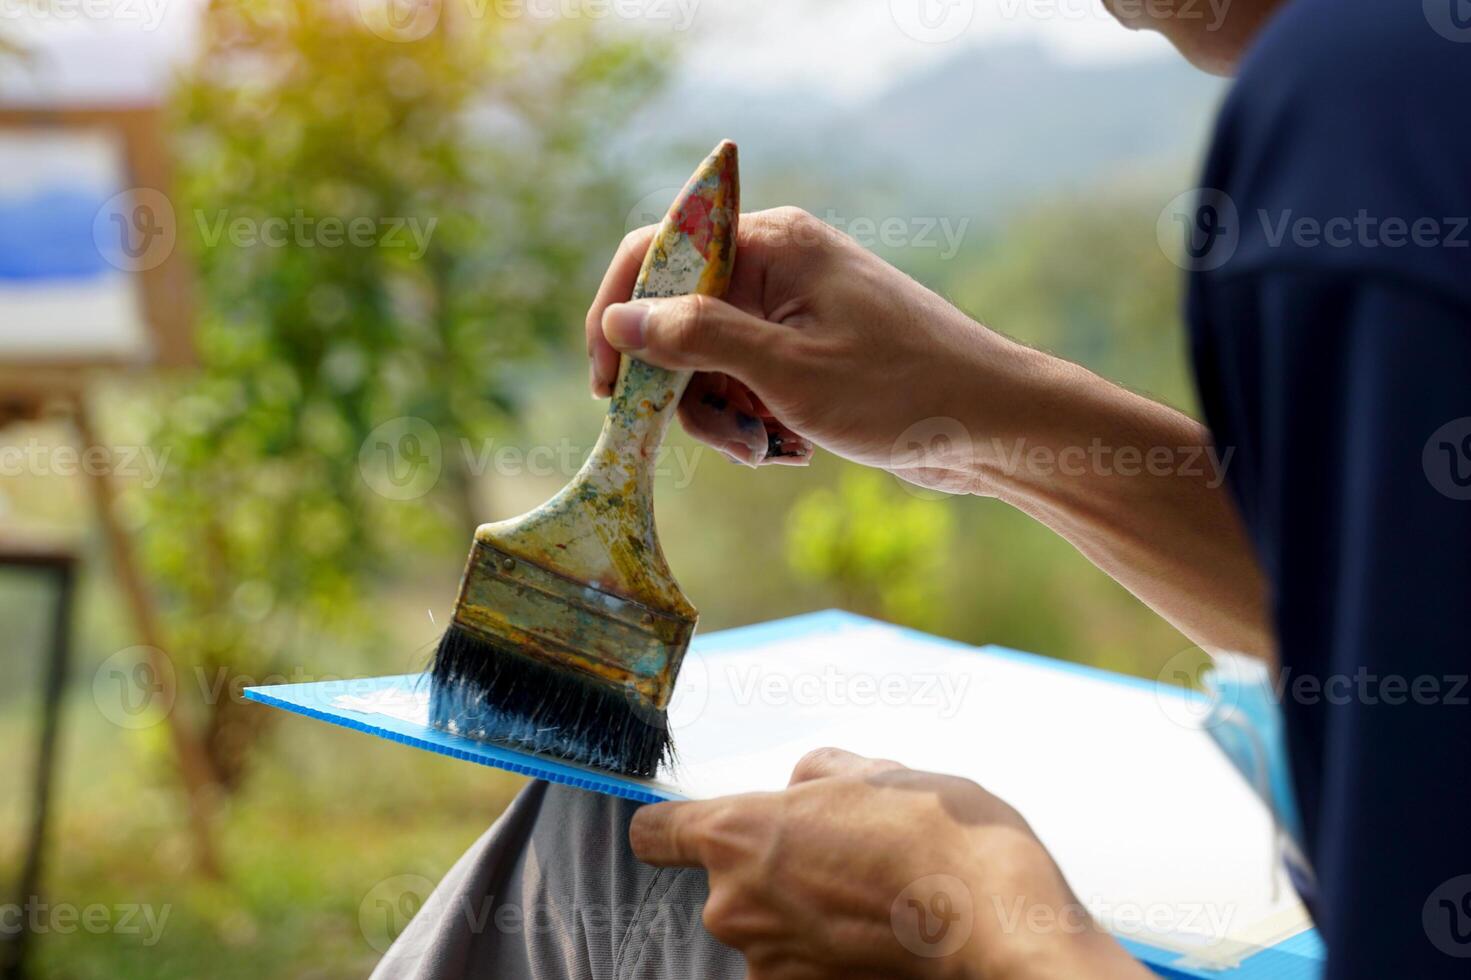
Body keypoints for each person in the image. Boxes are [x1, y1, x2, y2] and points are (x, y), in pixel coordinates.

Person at [373, 1, 1471, 977]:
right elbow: (1401, 620)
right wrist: (973, 416)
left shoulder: (1363, 120)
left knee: (610, 856)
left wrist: (982, 927)